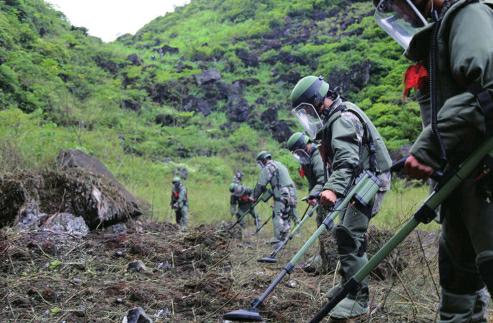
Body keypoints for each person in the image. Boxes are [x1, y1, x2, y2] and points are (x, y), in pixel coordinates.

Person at [374, 0, 493, 321]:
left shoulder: (469, 15)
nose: (399, 13)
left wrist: (431, 144)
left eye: (398, 3)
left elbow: (487, 92)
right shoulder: (438, 33)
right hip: (457, 183)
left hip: (484, 178)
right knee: (458, 289)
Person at [290, 75, 392, 319]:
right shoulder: (335, 118)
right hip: (358, 182)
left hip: (370, 183)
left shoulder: (343, 118)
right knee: (345, 233)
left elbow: (347, 159)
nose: (308, 115)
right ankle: (349, 285)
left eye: (307, 109)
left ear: (318, 100)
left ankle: (358, 298)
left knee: (349, 235)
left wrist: (332, 189)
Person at [286, 132, 331, 274]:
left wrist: (314, 194)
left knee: (326, 224)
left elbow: (322, 179)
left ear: (304, 145)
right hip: (320, 194)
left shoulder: (317, 155)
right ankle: (325, 255)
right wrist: (312, 196)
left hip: (329, 193)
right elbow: (312, 182)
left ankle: (330, 257)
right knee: (321, 223)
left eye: (298, 151)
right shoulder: (306, 159)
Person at [253, 151, 298, 246]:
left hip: (281, 193)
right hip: (292, 193)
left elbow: (260, 185)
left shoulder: (268, 167)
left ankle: (278, 241)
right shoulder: (280, 165)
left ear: (263, 160)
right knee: (286, 216)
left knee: (277, 215)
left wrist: (253, 197)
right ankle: (284, 239)